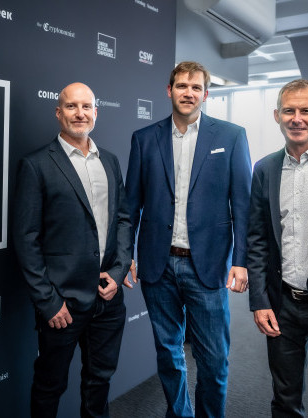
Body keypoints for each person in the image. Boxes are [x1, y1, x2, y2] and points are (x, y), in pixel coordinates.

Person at [125, 61, 252, 418]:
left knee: (213, 360)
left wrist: (240, 261)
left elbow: (243, 206)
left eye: (196, 87)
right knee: (169, 354)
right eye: (182, 86)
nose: (188, 93)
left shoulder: (231, 136)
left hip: (207, 265)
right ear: (169, 90)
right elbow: (130, 206)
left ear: (206, 94)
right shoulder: (144, 139)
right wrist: (126, 255)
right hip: (158, 264)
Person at [13, 82, 132, 418]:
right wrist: (48, 301)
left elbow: (123, 220)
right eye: (71, 106)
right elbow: (26, 239)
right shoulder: (36, 164)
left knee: (99, 382)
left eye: (86, 106)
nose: (80, 113)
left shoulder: (110, 161)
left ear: (96, 112)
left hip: (108, 299)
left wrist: (120, 270)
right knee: (49, 386)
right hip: (62, 303)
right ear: (58, 112)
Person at [248, 79, 308, 417]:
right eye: (289, 111)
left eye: (305, 111)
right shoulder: (265, 169)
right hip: (283, 301)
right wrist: (260, 301)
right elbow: (257, 239)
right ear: (277, 116)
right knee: (285, 398)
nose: (297, 118)